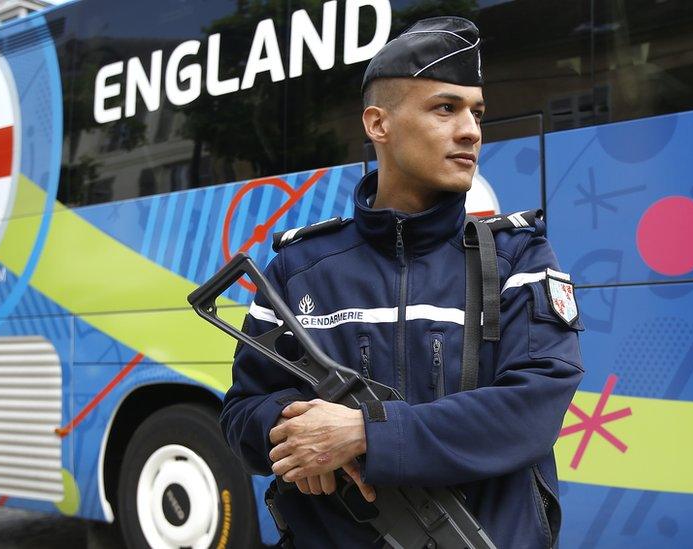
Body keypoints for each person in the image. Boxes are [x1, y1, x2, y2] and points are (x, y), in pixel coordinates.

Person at [220, 16, 584, 549]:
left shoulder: (517, 257)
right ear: (378, 124)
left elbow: (531, 409)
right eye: (445, 108)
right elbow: (241, 412)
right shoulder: (299, 269)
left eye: (477, 113)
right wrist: (295, 436)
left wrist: (364, 435)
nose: (471, 131)